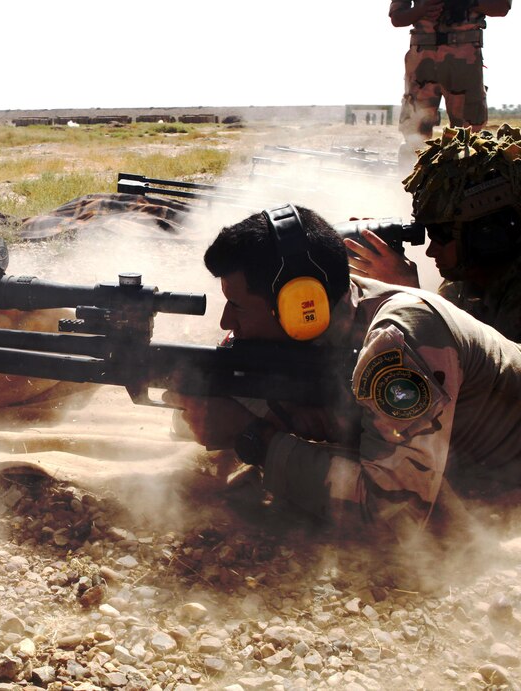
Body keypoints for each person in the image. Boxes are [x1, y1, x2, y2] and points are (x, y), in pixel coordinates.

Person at [164, 204, 521, 539]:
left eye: (238, 306)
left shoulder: (399, 341)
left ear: (299, 305)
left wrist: (253, 436)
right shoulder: (336, 310)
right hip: (465, 468)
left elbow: (393, 517)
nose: (227, 321)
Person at [346, 125, 521, 340]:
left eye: (442, 235)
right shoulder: (464, 281)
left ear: (486, 234)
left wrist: (409, 293)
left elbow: (480, 366)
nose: (430, 251)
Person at [390, 0, 511, 167]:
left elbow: (502, 7)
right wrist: (421, 9)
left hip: (464, 61)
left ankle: (462, 187)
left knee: (469, 136)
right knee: (415, 135)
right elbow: (397, 18)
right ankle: (409, 185)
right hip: (422, 61)